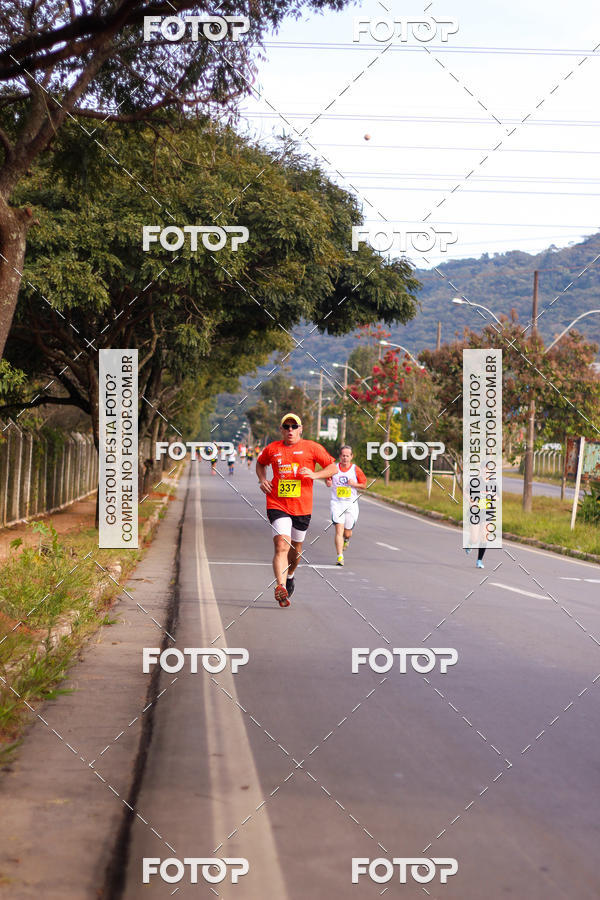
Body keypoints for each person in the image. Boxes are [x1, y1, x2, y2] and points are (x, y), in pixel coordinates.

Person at [256, 414, 337, 607]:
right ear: (281, 430)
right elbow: (260, 463)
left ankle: (290, 575)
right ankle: (281, 586)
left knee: (296, 549)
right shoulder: (273, 448)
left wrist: (315, 474)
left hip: (302, 507)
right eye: (287, 426)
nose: (290, 430)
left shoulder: (312, 447)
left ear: (301, 429)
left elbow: (332, 468)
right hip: (277, 503)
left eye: (294, 426)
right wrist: (262, 479)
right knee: (281, 546)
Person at [326, 445, 367, 566]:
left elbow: (364, 485)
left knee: (347, 532)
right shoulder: (333, 468)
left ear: (351, 457)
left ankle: (347, 539)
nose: (345, 458)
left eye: (347, 456)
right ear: (340, 456)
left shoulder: (355, 469)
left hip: (351, 503)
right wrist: (328, 482)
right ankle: (340, 556)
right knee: (339, 529)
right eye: (343, 455)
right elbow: (327, 480)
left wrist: (354, 484)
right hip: (337, 503)